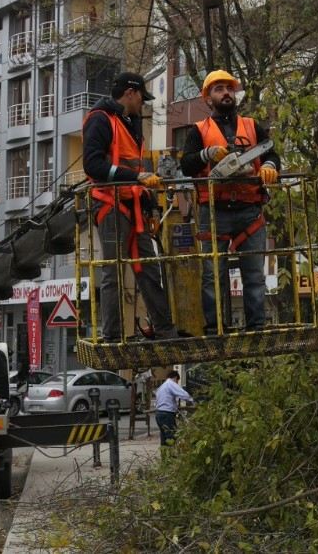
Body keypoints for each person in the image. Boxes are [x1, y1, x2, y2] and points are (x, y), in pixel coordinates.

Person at [180, 70, 280, 334]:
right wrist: (207, 154)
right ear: (208, 98)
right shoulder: (199, 131)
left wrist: (269, 165)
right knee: (213, 275)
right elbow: (187, 165)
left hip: (250, 210)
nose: (225, 93)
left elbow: (271, 152)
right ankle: (215, 327)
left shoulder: (250, 125)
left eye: (229, 88)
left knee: (254, 274)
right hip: (214, 212)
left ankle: (256, 326)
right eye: (219, 89)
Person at [83, 71, 179, 342]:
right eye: (141, 98)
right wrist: (135, 178)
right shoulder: (101, 120)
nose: (143, 104)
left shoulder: (130, 124)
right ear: (130, 93)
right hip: (109, 203)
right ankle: (112, 335)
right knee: (113, 270)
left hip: (133, 203)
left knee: (148, 268)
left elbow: (137, 168)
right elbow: (93, 166)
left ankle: (164, 330)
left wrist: (150, 204)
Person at [155, 370, 193, 447]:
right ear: (175, 378)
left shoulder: (162, 386)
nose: (177, 383)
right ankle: (172, 456)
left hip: (159, 414)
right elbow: (183, 394)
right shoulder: (171, 384)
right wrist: (192, 400)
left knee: (164, 437)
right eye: (177, 381)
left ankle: (165, 456)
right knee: (171, 436)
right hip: (167, 414)